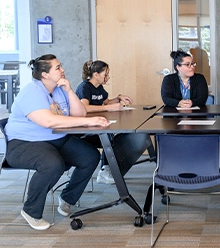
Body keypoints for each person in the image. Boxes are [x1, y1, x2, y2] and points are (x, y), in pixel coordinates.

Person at [4, 54, 110, 230]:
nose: (63, 70)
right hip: (24, 144)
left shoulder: (60, 89)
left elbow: (79, 114)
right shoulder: (32, 91)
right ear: (45, 75)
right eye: (58, 68)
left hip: (55, 139)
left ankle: (67, 198)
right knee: (53, 165)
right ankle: (31, 210)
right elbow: (49, 121)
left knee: (90, 156)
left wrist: (69, 91)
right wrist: (89, 122)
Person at [76, 60, 145, 184]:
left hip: (98, 123)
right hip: (84, 128)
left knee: (116, 137)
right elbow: (84, 108)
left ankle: (109, 168)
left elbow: (106, 102)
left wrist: (117, 98)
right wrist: (108, 108)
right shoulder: (84, 87)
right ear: (96, 74)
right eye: (105, 74)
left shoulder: (99, 88)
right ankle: (105, 170)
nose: (107, 77)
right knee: (108, 137)